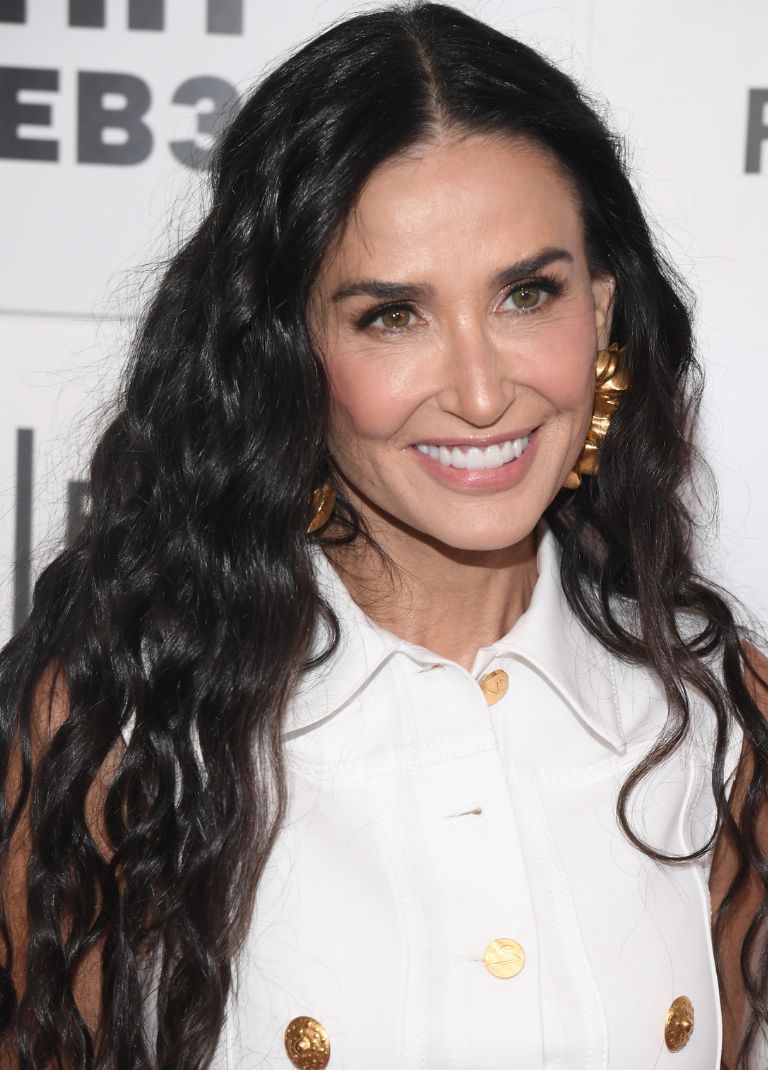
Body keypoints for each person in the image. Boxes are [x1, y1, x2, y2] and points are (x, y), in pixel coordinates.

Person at [1, 3, 766, 1068]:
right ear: (286, 351)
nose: (482, 392)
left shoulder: (716, 711)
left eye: (527, 294)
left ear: (600, 311)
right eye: (391, 315)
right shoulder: (123, 727)